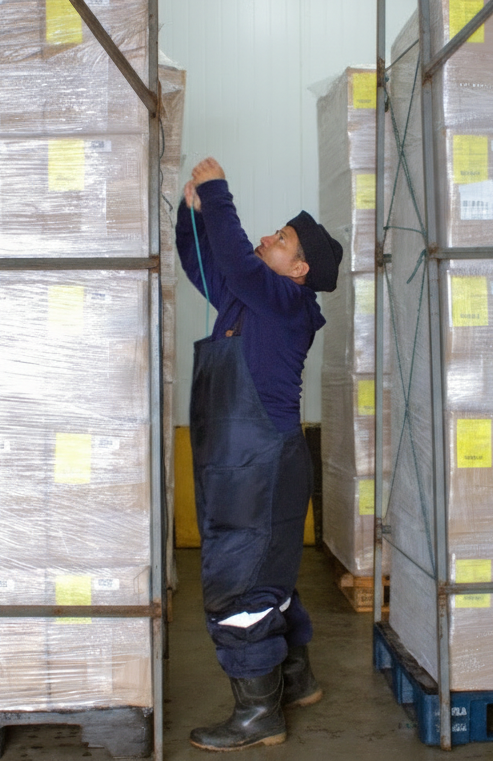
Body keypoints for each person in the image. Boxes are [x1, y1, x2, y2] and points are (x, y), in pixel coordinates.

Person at [176, 157, 343, 751]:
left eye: (282, 238)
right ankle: (294, 680)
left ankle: (256, 715)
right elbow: (206, 259)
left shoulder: (286, 304)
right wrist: (192, 211)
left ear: (298, 269)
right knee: (268, 575)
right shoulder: (249, 302)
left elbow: (241, 263)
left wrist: (219, 192)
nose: (269, 237)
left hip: (257, 467)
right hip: (241, 465)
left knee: (238, 587)